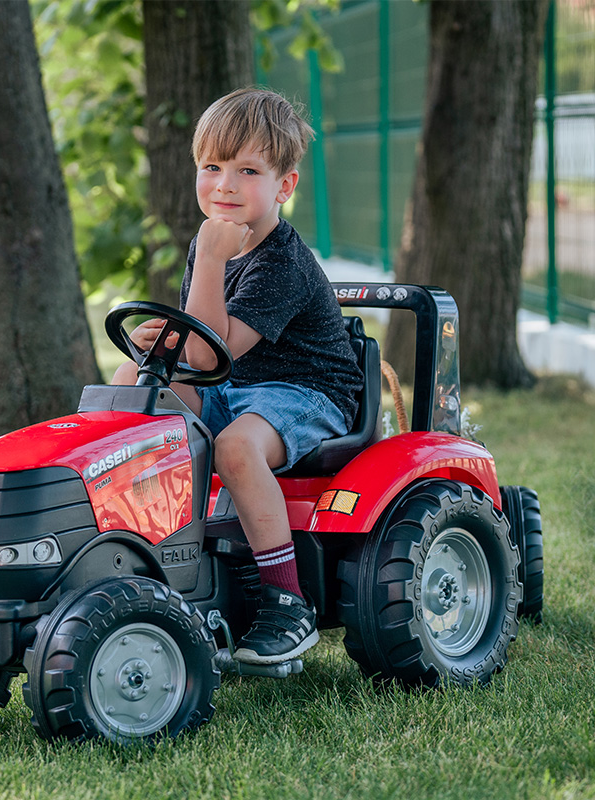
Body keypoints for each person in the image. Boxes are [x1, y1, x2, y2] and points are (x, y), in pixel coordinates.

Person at [113, 88, 363, 664]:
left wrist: (207, 258)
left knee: (235, 448)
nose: (224, 184)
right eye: (212, 167)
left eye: (247, 170)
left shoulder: (282, 262)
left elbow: (209, 353)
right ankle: (140, 549)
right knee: (134, 382)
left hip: (305, 391)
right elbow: (198, 350)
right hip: (234, 386)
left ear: (284, 186)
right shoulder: (216, 245)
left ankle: (287, 603)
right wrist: (161, 341)